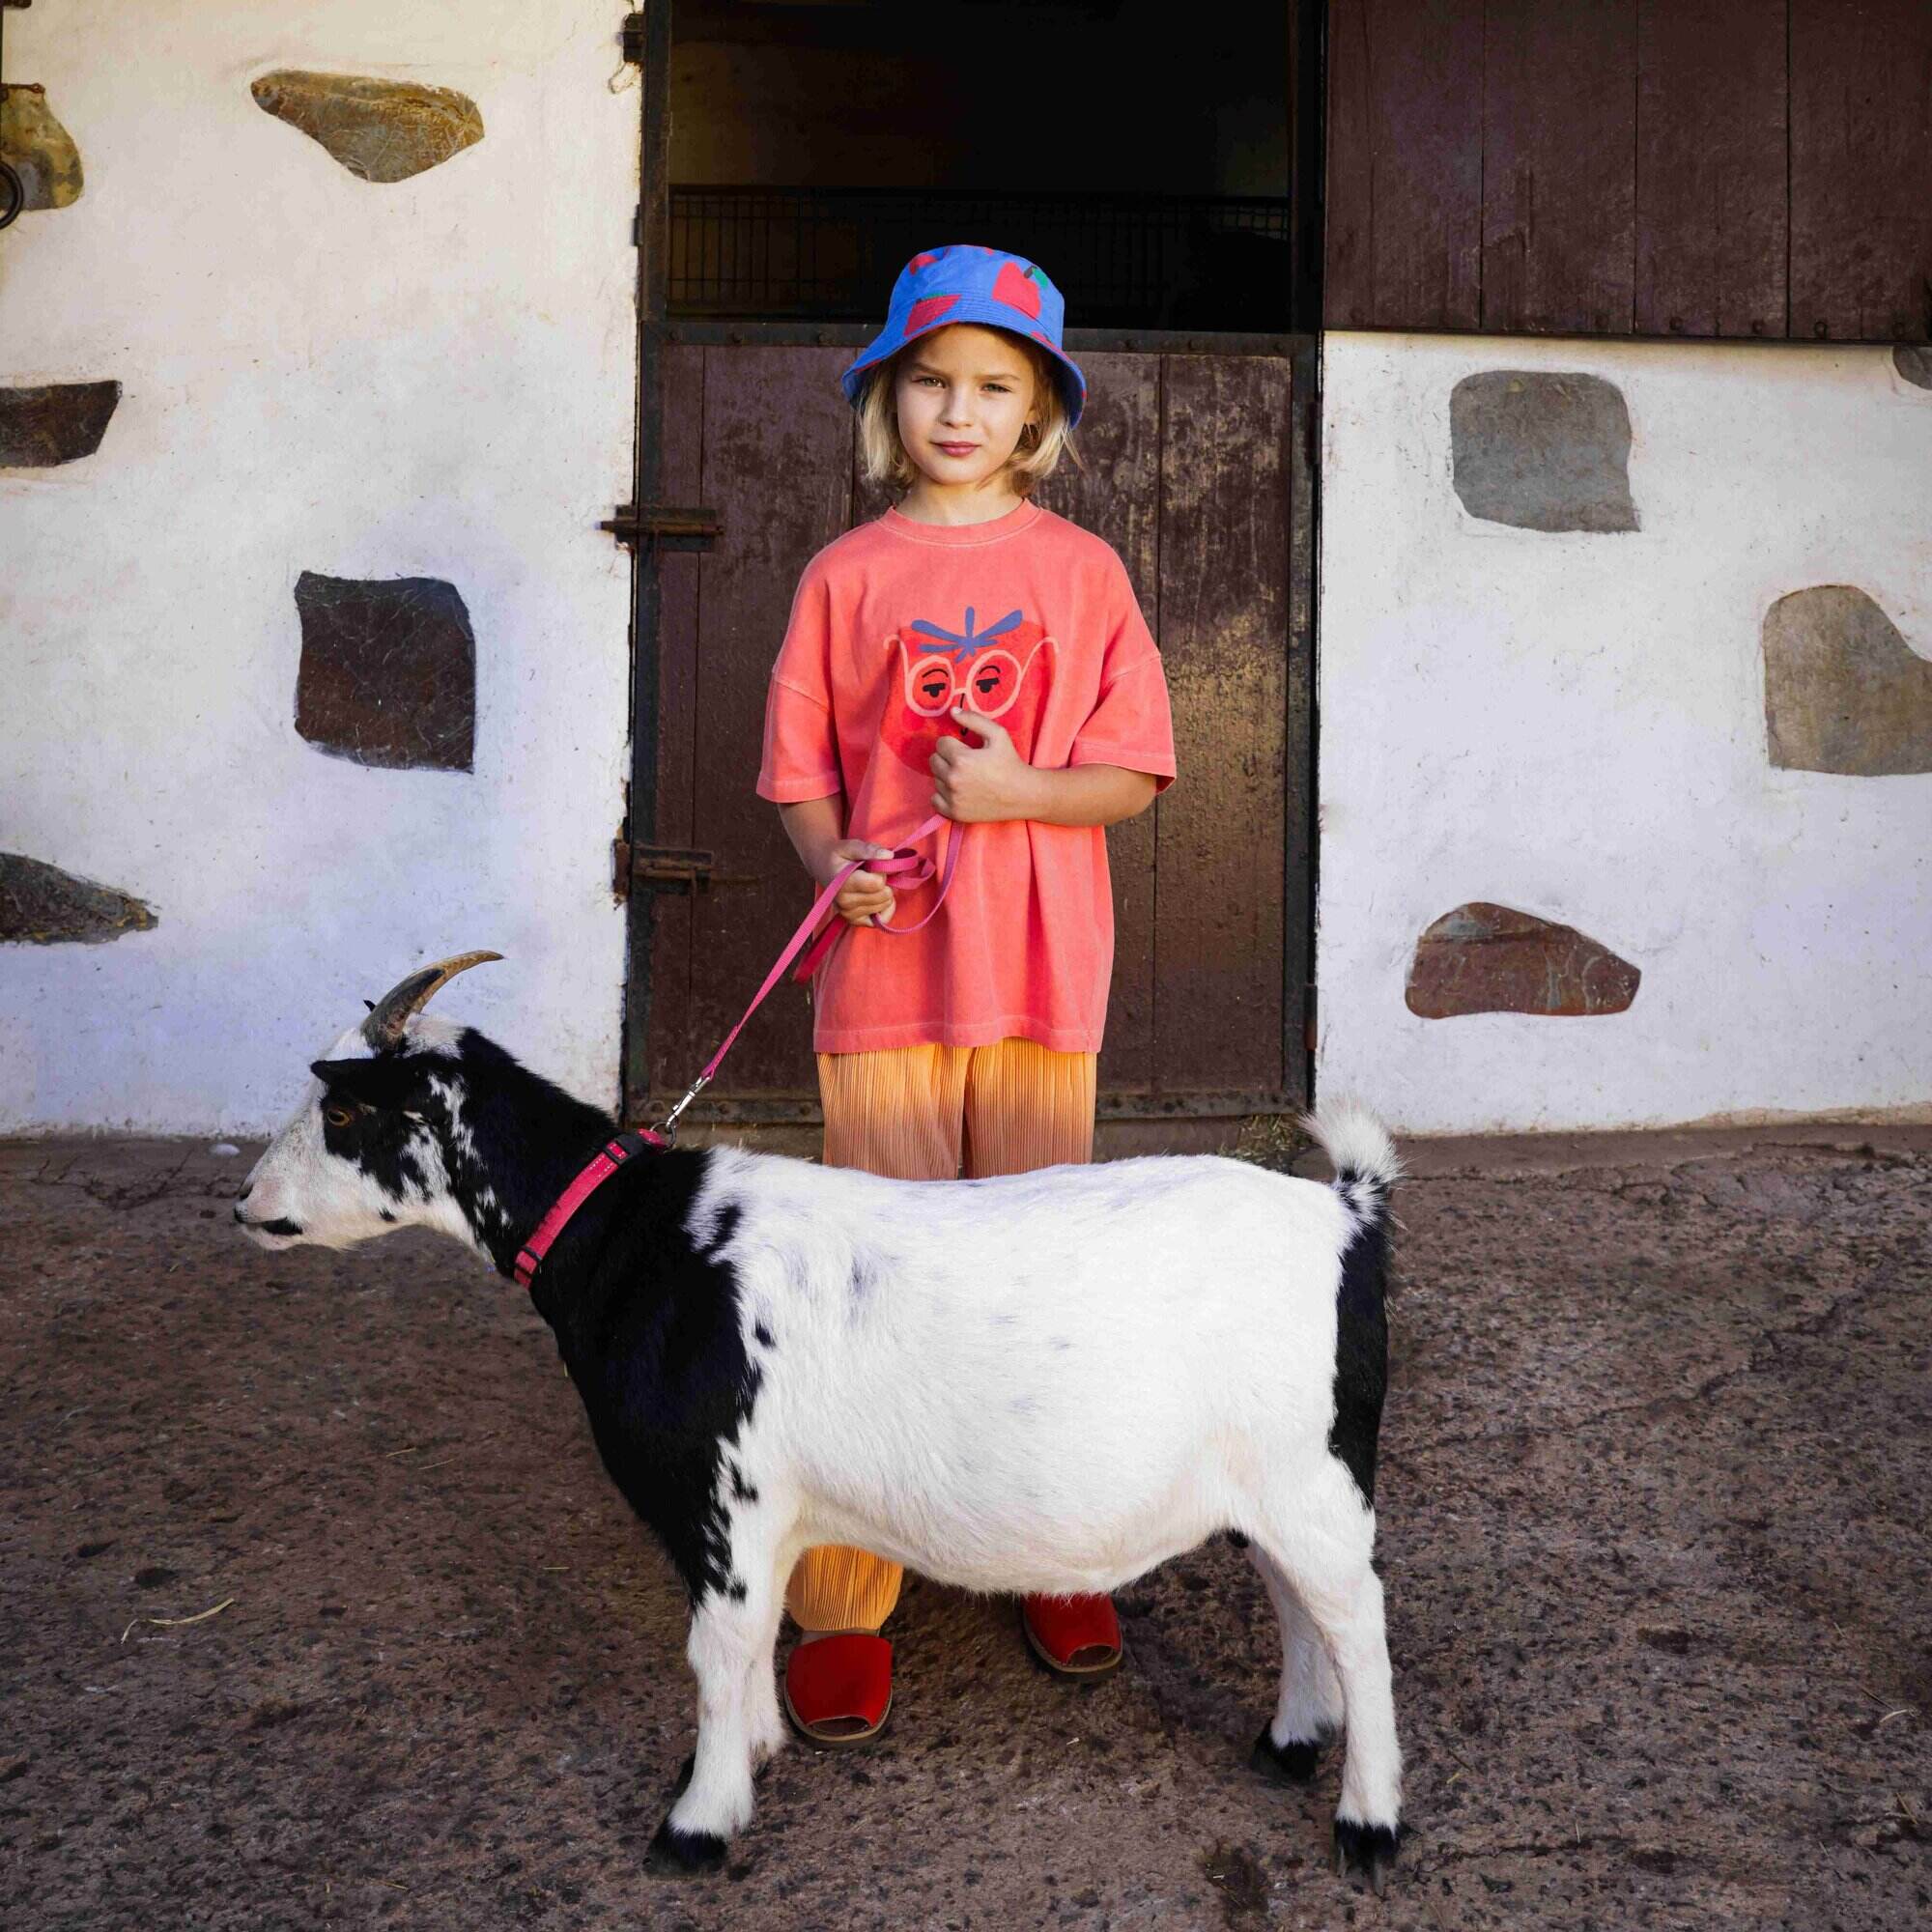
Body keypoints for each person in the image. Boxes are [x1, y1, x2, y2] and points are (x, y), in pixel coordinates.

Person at [755, 243, 1177, 1744]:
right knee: (877, 1283)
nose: (958, 410)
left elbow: (1133, 774)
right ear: (888, 399)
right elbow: (801, 775)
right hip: (888, 978)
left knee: (1039, 1282)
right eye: (930, 380)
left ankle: (1051, 1549)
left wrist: (1018, 791)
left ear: (1037, 412)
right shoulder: (844, 576)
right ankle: (843, 1595)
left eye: (994, 387)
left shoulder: (1084, 574)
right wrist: (836, 867)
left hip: (1041, 981)